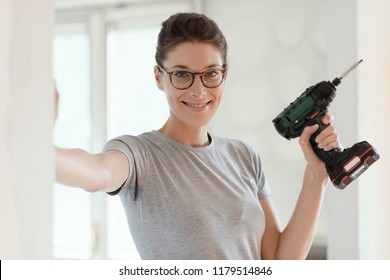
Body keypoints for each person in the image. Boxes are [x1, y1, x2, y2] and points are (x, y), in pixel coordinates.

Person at [55, 12, 342, 260]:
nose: (199, 90)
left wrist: (316, 175)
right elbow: (95, 172)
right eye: (182, 75)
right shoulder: (138, 155)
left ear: (224, 75)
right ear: (159, 77)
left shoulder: (243, 157)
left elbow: (280, 261)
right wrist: (37, 146)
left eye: (210, 73)